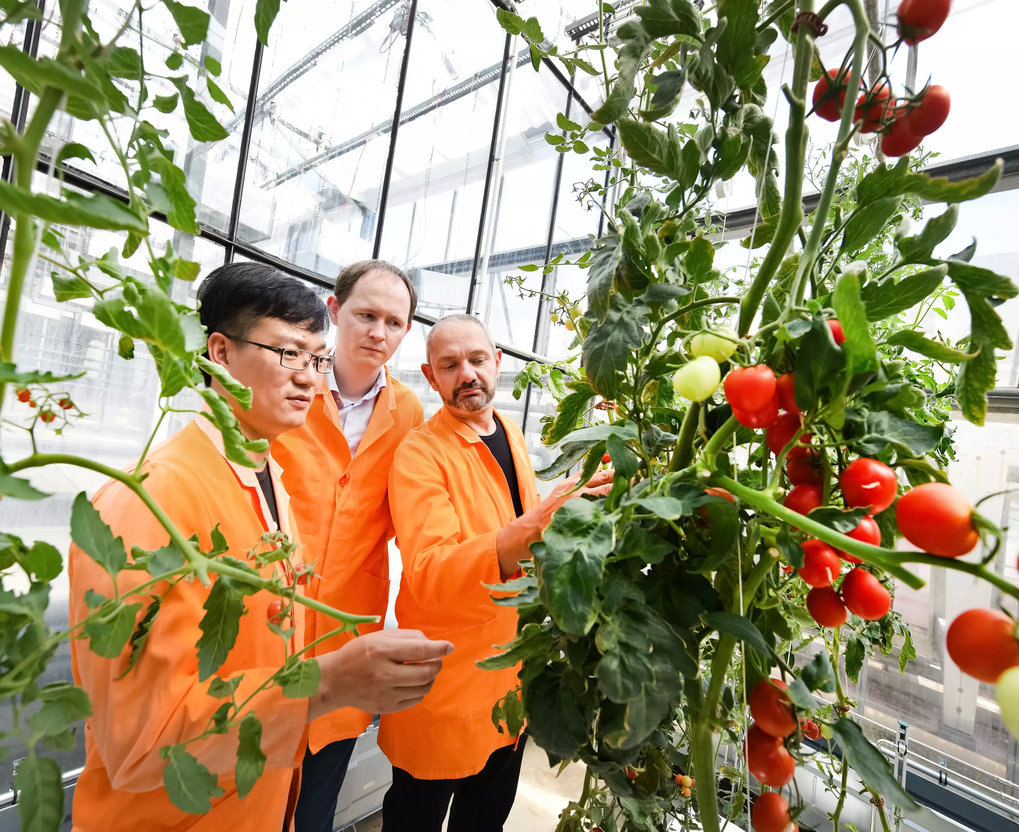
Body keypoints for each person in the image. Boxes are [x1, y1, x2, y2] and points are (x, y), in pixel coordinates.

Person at [68, 263, 451, 832]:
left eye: (316, 360)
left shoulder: (270, 481)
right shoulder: (147, 503)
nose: (309, 379)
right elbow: (140, 744)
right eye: (287, 354)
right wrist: (323, 685)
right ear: (219, 352)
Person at [379, 314, 613, 832]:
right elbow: (430, 573)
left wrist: (572, 510)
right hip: (446, 680)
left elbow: (525, 533)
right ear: (431, 375)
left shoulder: (508, 430)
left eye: (477, 359)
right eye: (450, 365)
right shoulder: (420, 454)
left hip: (511, 674)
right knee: (415, 815)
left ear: (497, 363)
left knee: (485, 816)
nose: (467, 373)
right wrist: (537, 523)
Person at [272, 259, 424, 831]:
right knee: (248, 783)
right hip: (269, 609)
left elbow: (412, 514)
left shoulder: (408, 411)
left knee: (317, 798)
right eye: (365, 315)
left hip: (343, 625)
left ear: (408, 330)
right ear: (334, 312)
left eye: (393, 321)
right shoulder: (287, 384)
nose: (377, 333)